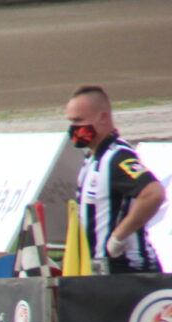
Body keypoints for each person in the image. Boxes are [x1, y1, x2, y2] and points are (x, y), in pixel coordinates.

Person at [65, 85, 165, 274]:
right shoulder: (91, 160)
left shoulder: (117, 157)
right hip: (102, 272)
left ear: (103, 118)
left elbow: (153, 193)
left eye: (78, 121)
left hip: (129, 271)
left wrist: (118, 237)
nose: (73, 129)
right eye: (71, 121)